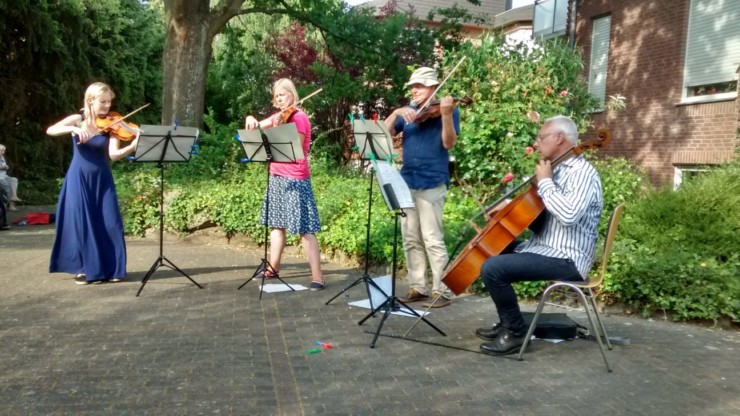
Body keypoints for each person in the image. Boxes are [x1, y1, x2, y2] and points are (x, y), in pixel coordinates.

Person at [476, 115, 603, 355]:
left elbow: (568, 215)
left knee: (494, 269)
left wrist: (545, 182)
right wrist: (509, 208)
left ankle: (515, 334)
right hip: (545, 247)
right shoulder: (556, 169)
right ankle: (507, 323)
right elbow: (540, 212)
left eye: (541, 137)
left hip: (568, 258)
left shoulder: (582, 173)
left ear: (559, 138)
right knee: (494, 248)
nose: (537, 142)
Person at [46, 82, 139, 285]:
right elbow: (51, 130)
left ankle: (113, 268)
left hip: (102, 178)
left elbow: (113, 155)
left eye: (109, 102)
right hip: (79, 178)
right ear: (90, 100)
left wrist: (132, 146)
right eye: (103, 101)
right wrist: (74, 129)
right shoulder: (77, 119)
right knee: (82, 224)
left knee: (111, 222)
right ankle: (84, 269)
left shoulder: (111, 124)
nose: (107, 106)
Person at [384, 67, 460, 308]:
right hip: (407, 181)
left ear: (434, 87)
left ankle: (443, 290)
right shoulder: (408, 113)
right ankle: (419, 287)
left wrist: (446, 115)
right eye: (412, 86)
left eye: (420, 85)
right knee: (410, 238)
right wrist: (396, 111)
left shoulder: (448, 110)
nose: (414, 90)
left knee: (432, 238)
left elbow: (448, 143)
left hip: (431, 181)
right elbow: (383, 133)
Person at [244, 78, 325, 290]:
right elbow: (255, 128)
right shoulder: (279, 116)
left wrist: (277, 128)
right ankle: (273, 267)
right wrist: (251, 119)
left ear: (292, 95)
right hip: (277, 175)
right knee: (277, 225)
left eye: (283, 94)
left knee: (304, 228)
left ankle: (317, 276)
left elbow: (293, 146)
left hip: (296, 177)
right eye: (277, 96)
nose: (280, 99)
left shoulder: (298, 118)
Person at [0, 144, 21, 211]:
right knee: (8, 187)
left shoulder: (2, 157)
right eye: (2, 150)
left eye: (4, 150)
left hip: (4, 176)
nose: (3, 152)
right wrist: (2, 167)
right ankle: (10, 205)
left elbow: (4, 166)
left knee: (14, 180)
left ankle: (14, 196)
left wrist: (6, 167)